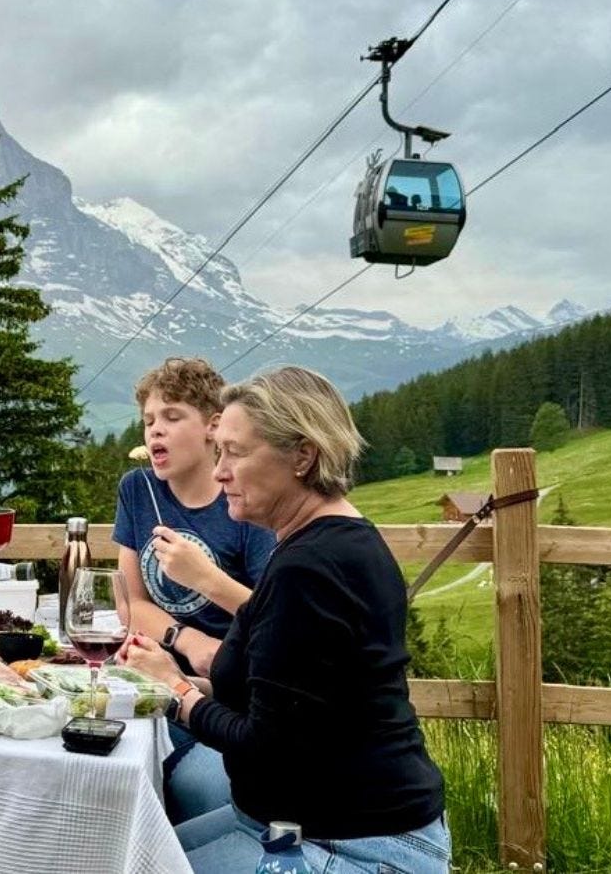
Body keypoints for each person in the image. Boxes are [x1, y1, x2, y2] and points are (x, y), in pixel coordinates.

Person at [120, 366, 450, 874]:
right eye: (219, 450)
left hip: (353, 844)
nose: (220, 470)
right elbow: (295, 699)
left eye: (236, 452)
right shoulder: (323, 542)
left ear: (303, 455)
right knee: (126, 853)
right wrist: (186, 682)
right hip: (289, 824)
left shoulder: (311, 568)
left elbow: (267, 745)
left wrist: (176, 693)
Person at [114, 358, 276, 824]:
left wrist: (203, 576)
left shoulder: (243, 502)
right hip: (150, 687)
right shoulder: (138, 488)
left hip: (228, 696)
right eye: (147, 421)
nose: (154, 432)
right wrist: (189, 641)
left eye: (171, 417)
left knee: (194, 785)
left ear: (213, 426)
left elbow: (272, 615)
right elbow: (130, 602)